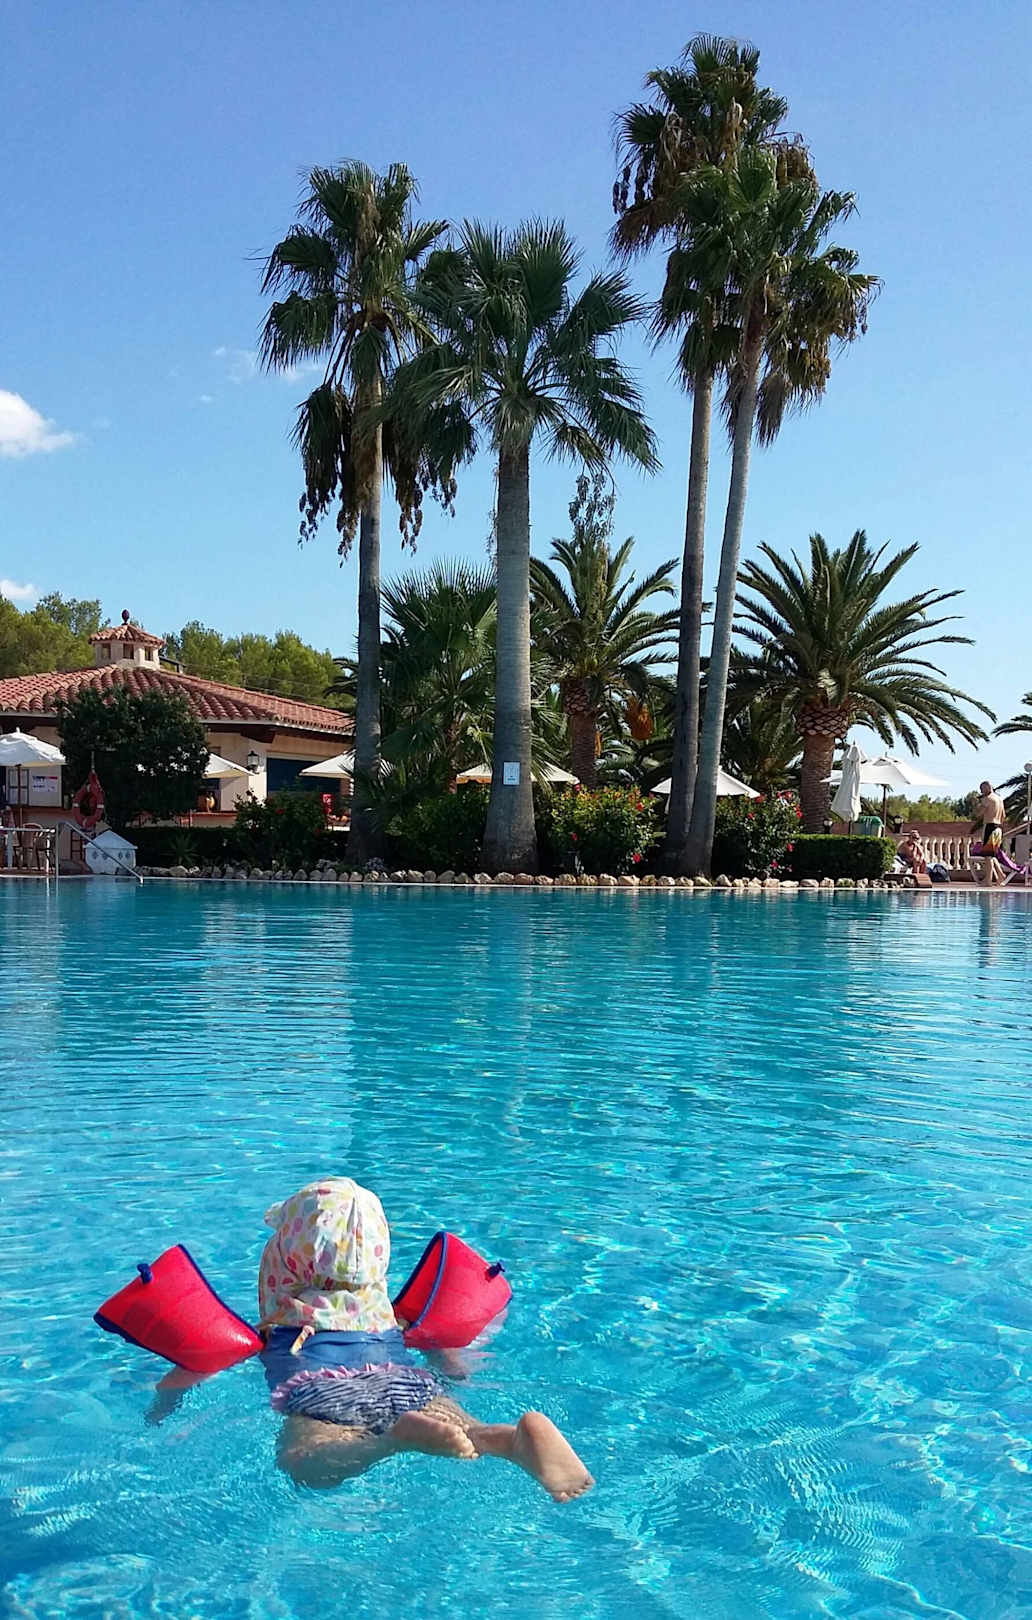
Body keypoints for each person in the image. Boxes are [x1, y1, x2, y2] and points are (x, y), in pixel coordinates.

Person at [257, 1177, 594, 1501]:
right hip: (402, 1380)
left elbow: (240, 1345)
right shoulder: (384, 1310)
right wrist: (452, 1368)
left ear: (290, 1253)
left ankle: (392, 1441)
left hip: (322, 1386)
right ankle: (511, 1441)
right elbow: (445, 1353)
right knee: (465, 1431)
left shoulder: (285, 1304)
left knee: (304, 1462)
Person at [972, 780, 1007, 886]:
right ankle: (1000, 875)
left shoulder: (987, 799)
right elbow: (1003, 816)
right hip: (998, 828)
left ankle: (988, 880)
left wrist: (975, 805)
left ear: (987, 787)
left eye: (982, 789)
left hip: (990, 827)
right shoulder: (1000, 799)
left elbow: (978, 814)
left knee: (988, 856)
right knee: (992, 855)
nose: (981, 792)